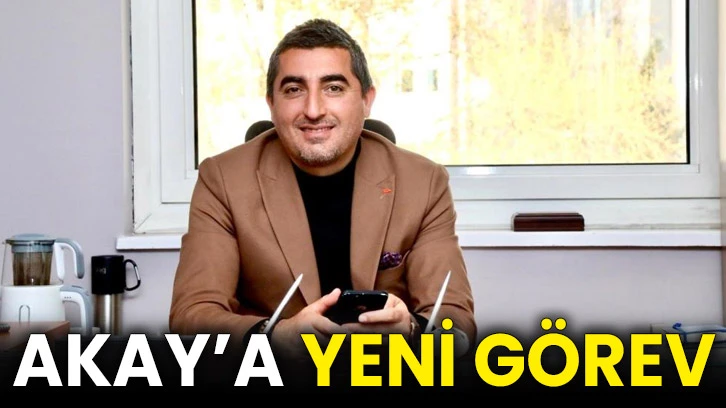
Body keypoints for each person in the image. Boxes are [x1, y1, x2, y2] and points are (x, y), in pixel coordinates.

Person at [168, 18, 476, 358]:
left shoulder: (424, 181)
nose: (313, 110)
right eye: (294, 89)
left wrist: (412, 331)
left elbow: (455, 318)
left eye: (334, 88)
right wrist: (272, 337)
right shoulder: (222, 180)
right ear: (271, 103)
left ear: (367, 100)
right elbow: (191, 317)